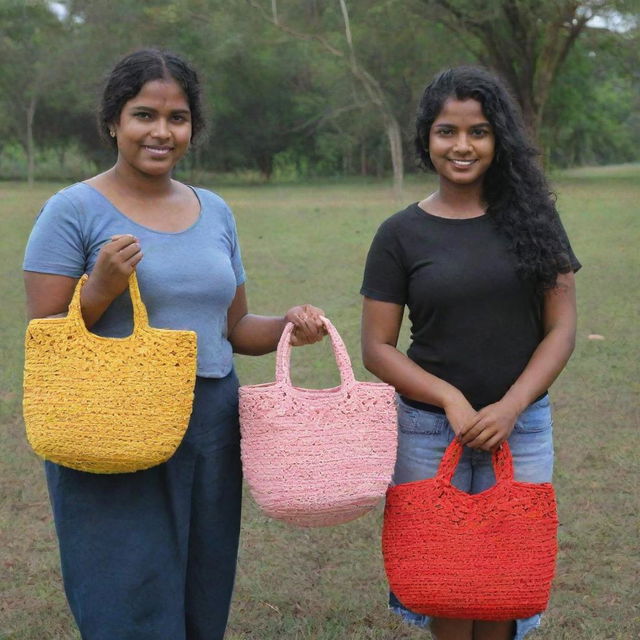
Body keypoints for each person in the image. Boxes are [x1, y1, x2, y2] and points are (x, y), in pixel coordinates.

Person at [23, 48, 325, 640]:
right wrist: (101, 289)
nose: (161, 132)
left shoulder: (214, 210)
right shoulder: (72, 210)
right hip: (111, 418)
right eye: (144, 115)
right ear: (114, 121)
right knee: (124, 588)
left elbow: (234, 330)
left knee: (203, 583)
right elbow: (46, 334)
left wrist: (289, 324)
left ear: (192, 127)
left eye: (177, 118)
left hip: (211, 421)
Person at [360, 66, 580, 640]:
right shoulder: (399, 234)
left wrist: (511, 406)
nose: (462, 145)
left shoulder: (534, 221)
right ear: (426, 140)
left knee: (507, 585)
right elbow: (377, 348)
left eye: (478, 131)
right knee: (447, 587)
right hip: (430, 432)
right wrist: (450, 398)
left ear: (498, 138)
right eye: (446, 131)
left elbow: (560, 329)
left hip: (523, 427)